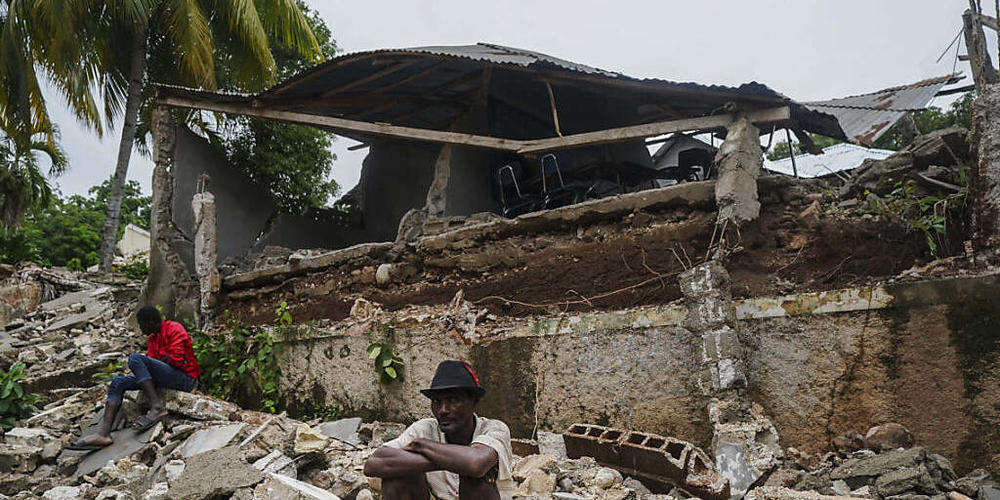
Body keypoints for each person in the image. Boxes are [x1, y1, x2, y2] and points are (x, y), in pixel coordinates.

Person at [364, 360, 514, 500]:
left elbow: (475, 463)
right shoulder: (425, 428)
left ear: (474, 402)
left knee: (475, 477)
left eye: (453, 400)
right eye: (436, 401)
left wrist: (420, 446)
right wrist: (455, 461)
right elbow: (374, 463)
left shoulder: (494, 429)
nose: (443, 410)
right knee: (397, 475)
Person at [68, 306, 201, 450]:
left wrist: (158, 363)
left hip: (184, 379)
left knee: (135, 359)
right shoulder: (153, 339)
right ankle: (104, 434)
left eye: (141, 324)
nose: (140, 328)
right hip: (166, 377)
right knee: (118, 382)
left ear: (149, 322)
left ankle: (156, 406)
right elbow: (155, 366)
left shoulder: (173, 328)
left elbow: (178, 360)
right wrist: (160, 362)